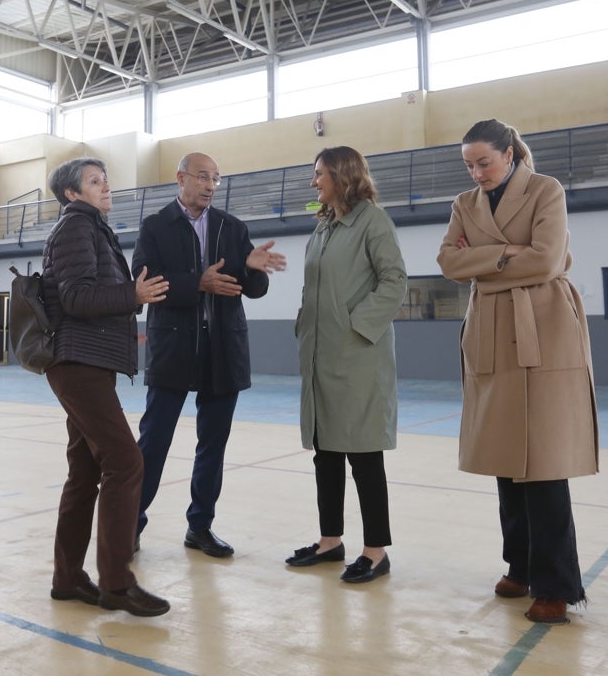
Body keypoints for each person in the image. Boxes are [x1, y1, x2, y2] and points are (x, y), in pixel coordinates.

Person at [436, 119, 600, 625]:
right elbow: (447, 261)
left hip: (544, 327)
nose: (477, 172)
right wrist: (509, 252)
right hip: (490, 332)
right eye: (469, 164)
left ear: (509, 154)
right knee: (506, 458)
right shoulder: (465, 204)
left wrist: (482, 261)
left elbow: (549, 261)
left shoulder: (546, 190)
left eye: (484, 161)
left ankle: (558, 586)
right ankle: (521, 566)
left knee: (544, 463)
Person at [131, 152, 287, 558]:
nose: (210, 185)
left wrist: (252, 269)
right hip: (173, 349)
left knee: (212, 445)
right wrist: (198, 284)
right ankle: (130, 523)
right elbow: (145, 282)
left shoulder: (232, 228)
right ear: (180, 178)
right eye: (202, 177)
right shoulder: (155, 227)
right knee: (153, 442)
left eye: (216, 179)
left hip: (222, 349)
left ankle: (200, 526)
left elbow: (252, 291)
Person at [41, 157, 172, 617]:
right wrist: (131, 296)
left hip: (86, 362)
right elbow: (76, 297)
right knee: (125, 461)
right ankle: (116, 583)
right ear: (72, 194)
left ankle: (68, 579)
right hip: (78, 363)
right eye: (94, 182)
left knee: (84, 469)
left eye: (105, 180)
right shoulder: (77, 227)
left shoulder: (92, 228)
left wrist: (128, 296)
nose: (105, 187)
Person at [288, 146, 407, 584]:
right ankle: (329, 541)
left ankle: (375, 552)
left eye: (319, 174)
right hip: (321, 355)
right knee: (327, 453)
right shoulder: (323, 228)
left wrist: (358, 327)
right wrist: (307, 325)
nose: (313, 181)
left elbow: (395, 280)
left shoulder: (372, 221)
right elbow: (313, 288)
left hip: (357, 357)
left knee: (364, 455)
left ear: (342, 175)